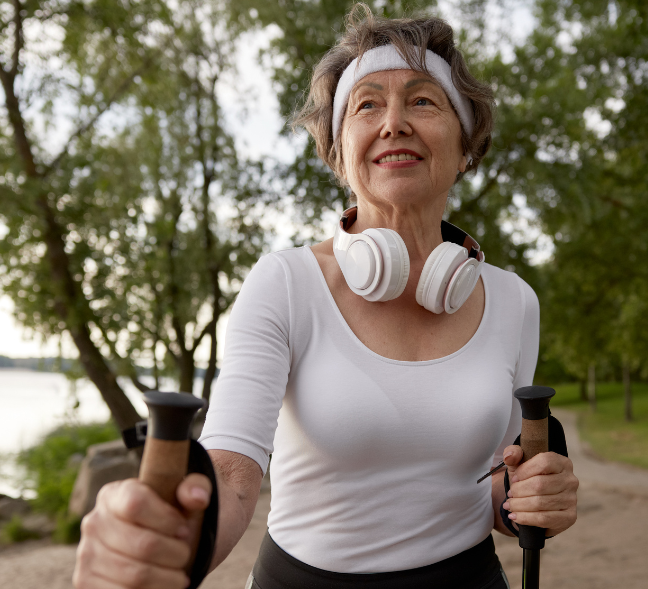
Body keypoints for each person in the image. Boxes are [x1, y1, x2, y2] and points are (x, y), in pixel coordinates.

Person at [73, 6, 578, 589]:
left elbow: (495, 478)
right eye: (367, 104)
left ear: (466, 144)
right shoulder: (284, 283)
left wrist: (534, 500)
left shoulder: (515, 300)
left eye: (422, 100)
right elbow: (233, 476)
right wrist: (164, 547)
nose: (393, 123)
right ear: (339, 154)